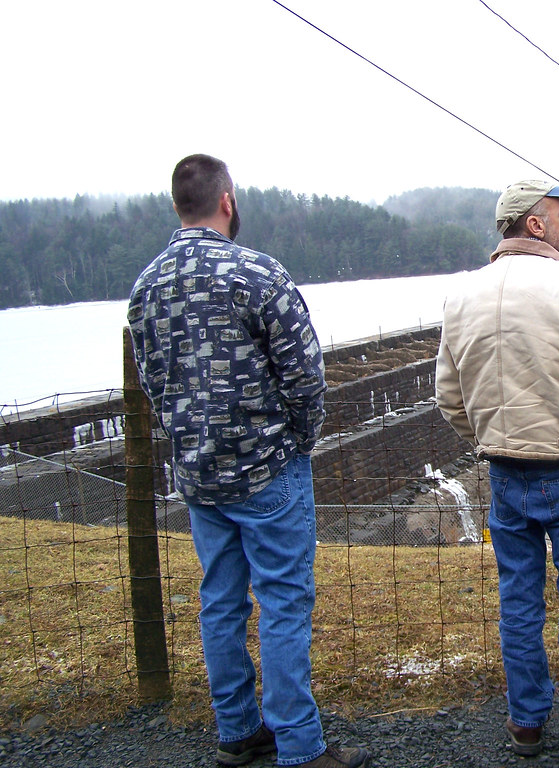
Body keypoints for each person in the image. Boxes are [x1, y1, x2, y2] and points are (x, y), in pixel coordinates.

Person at [127, 154, 370, 768]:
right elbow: (306, 375)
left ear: (178, 205)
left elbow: (155, 383)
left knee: (221, 602)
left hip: (201, 479)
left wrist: (189, 443)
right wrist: (300, 442)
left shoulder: (145, 287)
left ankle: (237, 732)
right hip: (268, 470)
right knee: (285, 602)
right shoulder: (257, 274)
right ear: (227, 201)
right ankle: (299, 745)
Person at [435, 180, 559, 766]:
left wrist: (487, 439)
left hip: (505, 471)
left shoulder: (462, 294)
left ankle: (526, 723)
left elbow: (449, 396)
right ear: (533, 225)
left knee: (519, 602)